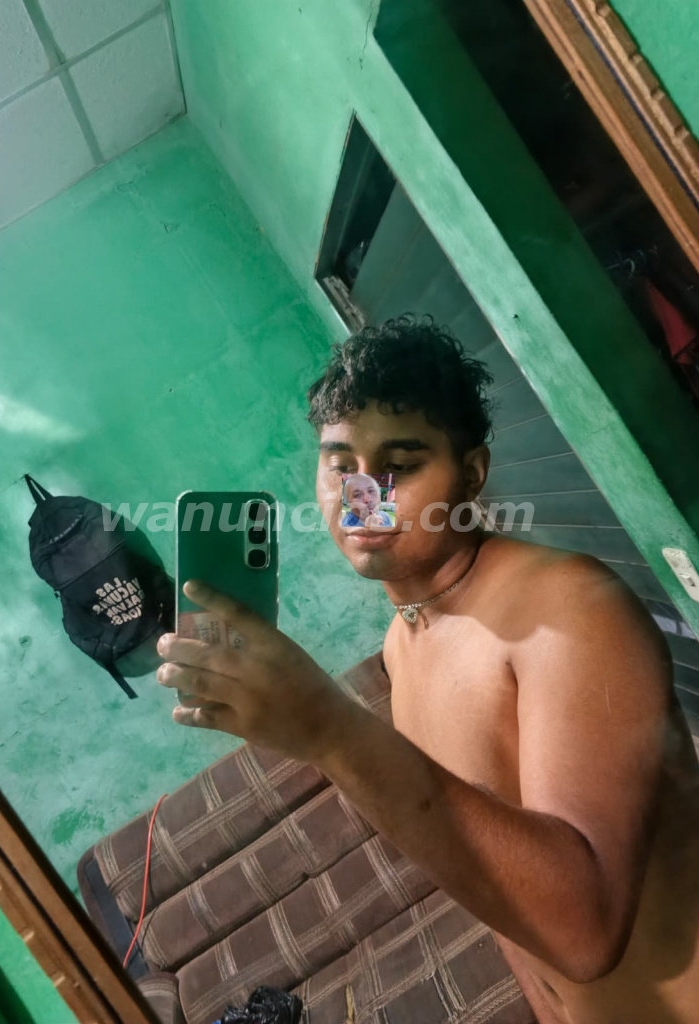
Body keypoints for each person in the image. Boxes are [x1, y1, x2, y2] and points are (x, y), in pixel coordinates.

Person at [157, 315, 699, 1024]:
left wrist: (330, 730)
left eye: (400, 466)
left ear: (471, 474)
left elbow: (585, 931)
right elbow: (505, 903)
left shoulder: (566, 608)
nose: (363, 498)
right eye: (341, 465)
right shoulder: (401, 644)